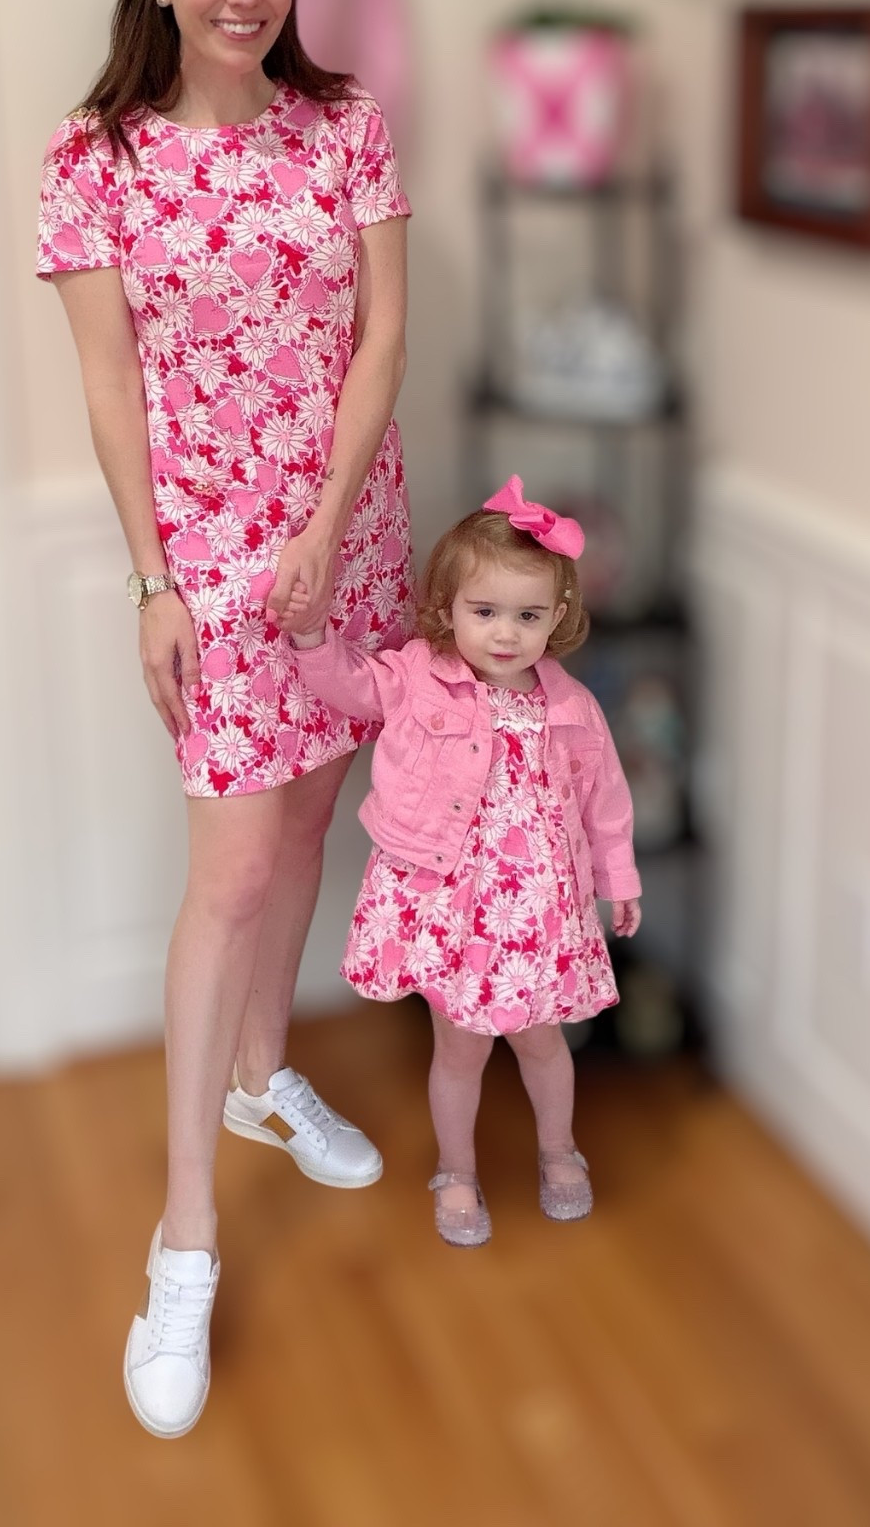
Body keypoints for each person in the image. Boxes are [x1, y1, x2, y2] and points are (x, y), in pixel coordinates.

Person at [36, 0, 414, 1436]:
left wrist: (333, 528)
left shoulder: (345, 130)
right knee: (233, 873)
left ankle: (267, 1075)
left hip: (353, 541)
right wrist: (150, 579)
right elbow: (112, 391)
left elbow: (388, 327)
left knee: (316, 813)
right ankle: (183, 1234)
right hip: (209, 572)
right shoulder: (94, 163)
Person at [287, 476, 641, 1247]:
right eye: (485, 612)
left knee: (544, 1041)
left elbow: (605, 801)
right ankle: (456, 1169)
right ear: (448, 610)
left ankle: (559, 1150)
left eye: (527, 615)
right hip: (453, 905)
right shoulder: (418, 677)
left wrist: (618, 879)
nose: (505, 634)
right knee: (460, 1048)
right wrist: (313, 640)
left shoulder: (571, 708)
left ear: (558, 618)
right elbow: (351, 686)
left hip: (536, 908)